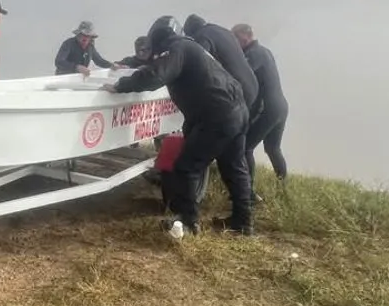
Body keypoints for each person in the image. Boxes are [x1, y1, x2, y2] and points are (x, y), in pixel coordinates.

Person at [105, 16, 253, 236]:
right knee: (234, 166)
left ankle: (188, 222)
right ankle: (243, 224)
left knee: (186, 166)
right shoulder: (190, 47)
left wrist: (121, 85)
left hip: (217, 115)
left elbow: (156, 75)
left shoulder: (176, 48)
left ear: (158, 39)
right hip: (237, 109)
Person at [232, 24, 289, 188]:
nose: (234, 43)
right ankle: (282, 187)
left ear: (246, 36)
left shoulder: (253, 54)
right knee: (272, 148)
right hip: (280, 106)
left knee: (245, 147)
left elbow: (242, 77)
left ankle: (248, 191)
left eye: (235, 37)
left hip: (268, 108)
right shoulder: (265, 51)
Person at [182, 14, 259, 113]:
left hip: (238, 93)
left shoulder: (202, 36)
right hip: (252, 87)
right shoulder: (224, 31)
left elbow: (197, 63)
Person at [54, 21, 120, 76]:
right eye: (83, 35)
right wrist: (76, 67)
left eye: (88, 36)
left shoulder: (90, 47)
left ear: (91, 37)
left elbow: (99, 61)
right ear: (78, 34)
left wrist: (112, 65)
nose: (85, 38)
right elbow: (59, 62)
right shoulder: (68, 43)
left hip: (79, 78)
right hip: (63, 77)